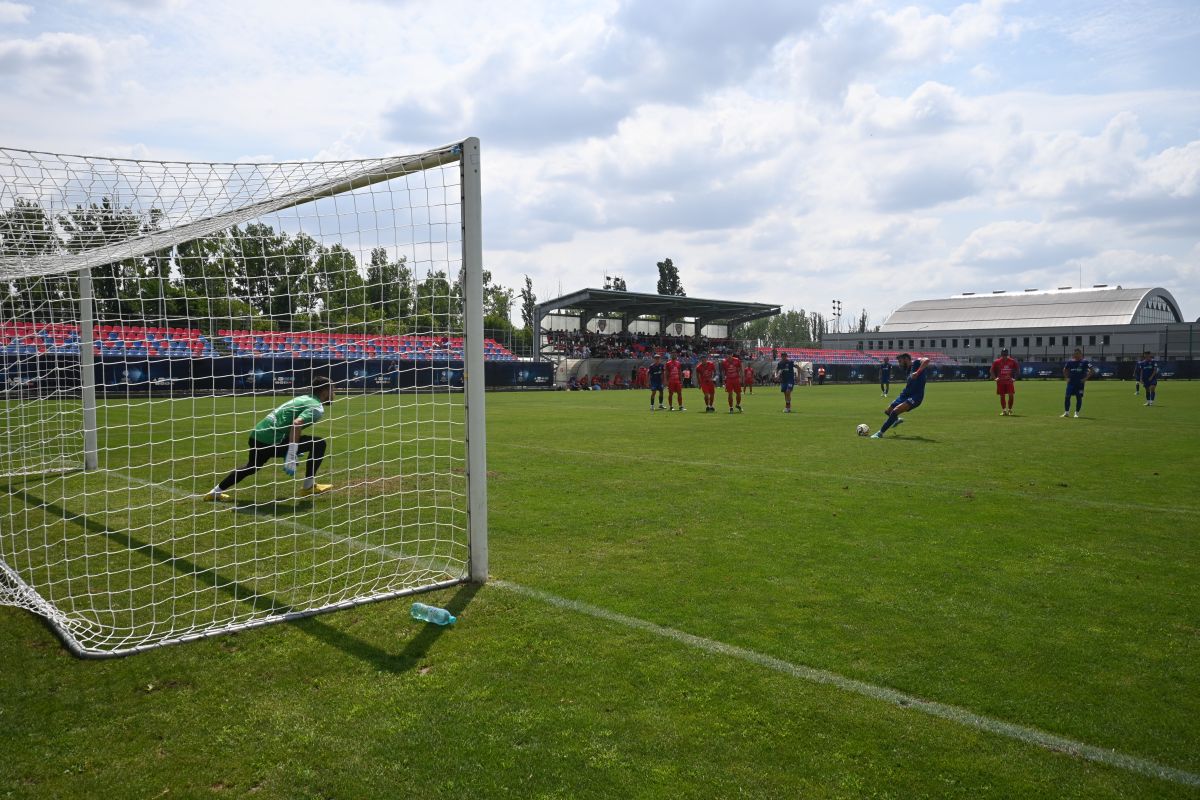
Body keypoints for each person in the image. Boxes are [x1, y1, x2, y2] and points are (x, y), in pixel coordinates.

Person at [206, 376, 335, 501]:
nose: (333, 393)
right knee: (319, 443)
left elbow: (287, 423)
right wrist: (291, 451)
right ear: (324, 391)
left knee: (252, 466)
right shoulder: (317, 407)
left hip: (257, 435)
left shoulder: (304, 398)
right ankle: (308, 487)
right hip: (271, 440)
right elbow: (296, 423)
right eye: (332, 390)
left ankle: (214, 492)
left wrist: (292, 446)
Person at [870, 353, 929, 438]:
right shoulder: (908, 369)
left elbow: (927, 360)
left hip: (916, 396)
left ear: (906, 359)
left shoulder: (916, 363)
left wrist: (917, 372)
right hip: (905, 394)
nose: (899, 363)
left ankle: (880, 433)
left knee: (895, 411)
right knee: (888, 411)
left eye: (900, 361)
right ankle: (896, 419)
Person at [1062, 348, 1093, 418]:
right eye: (1075, 354)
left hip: (1080, 383)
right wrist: (1066, 378)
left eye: (1078, 353)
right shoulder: (1070, 362)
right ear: (1074, 354)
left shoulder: (1085, 362)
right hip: (1071, 383)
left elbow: (1092, 370)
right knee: (1067, 397)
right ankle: (1066, 413)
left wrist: (1085, 378)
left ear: (1081, 354)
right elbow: (1064, 370)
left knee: (1079, 398)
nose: (1077, 355)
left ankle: (1076, 413)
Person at [990, 347, 1020, 415]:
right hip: (1000, 382)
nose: (1004, 356)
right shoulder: (996, 361)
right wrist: (995, 378)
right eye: (1003, 355)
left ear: (1007, 354)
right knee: (1002, 396)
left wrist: (1014, 378)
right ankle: (1004, 410)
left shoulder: (1012, 361)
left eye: (1005, 355)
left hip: (1009, 381)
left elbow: (1017, 370)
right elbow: (991, 370)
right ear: (1001, 354)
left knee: (1011, 395)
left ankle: (1010, 410)